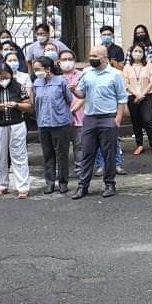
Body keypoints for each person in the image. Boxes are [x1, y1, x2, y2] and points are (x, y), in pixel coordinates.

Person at [69, 45, 128, 199]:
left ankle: (109, 184)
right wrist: (74, 90)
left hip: (108, 117)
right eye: (90, 55)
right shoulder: (87, 73)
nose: (91, 58)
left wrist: (118, 118)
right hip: (90, 118)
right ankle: (83, 186)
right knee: (87, 153)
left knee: (108, 153)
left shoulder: (115, 74)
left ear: (104, 57)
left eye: (95, 56)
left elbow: (122, 98)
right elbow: (82, 94)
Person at [0, 62, 33, 199]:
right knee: (0, 156)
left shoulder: (18, 87)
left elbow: (29, 106)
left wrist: (17, 105)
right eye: (0, 77)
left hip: (17, 125)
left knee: (19, 155)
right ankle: (2, 184)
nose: (4, 80)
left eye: (6, 76)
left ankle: (23, 187)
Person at [32, 56, 74, 194]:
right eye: (35, 69)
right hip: (43, 123)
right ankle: (49, 182)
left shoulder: (60, 81)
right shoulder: (37, 83)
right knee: (48, 154)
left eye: (38, 69)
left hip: (61, 122)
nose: (36, 71)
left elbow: (69, 100)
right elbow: (36, 103)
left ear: (48, 68)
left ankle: (63, 182)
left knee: (62, 153)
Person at [124, 43, 152, 157]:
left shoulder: (148, 65)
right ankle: (139, 144)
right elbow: (125, 83)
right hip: (132, 97)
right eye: (135, 51)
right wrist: (136, 94)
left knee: (149, 119)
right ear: (131, 53)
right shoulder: (127, 67)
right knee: (136, 121)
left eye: (140, 51)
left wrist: (142, 94)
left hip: (146, 96)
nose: (137, 53)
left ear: (144, 53)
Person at [59, 50, 85, 178]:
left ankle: (81, 172)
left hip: (79, 116)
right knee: (61, 148)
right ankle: (62, 173)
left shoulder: (82, 75)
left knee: (79, 146)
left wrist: (73, 110)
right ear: (58, 62)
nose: (67, 62)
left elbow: (84, 96)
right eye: (64, 59)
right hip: (61, 119)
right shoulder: (56, 79)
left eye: (70, 59)